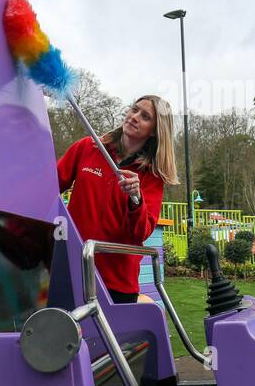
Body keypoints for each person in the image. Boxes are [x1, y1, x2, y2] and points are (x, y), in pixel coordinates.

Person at [57, 94, 179, 303]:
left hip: (116, 282)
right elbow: (50, 187)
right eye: (134, 109)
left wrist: (136, 199)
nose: (135, 116)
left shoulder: (152, 176)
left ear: (154, 132)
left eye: (145, 116)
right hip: (70, 269)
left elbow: (140, 233)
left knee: (105, 337)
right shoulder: (87, 148)